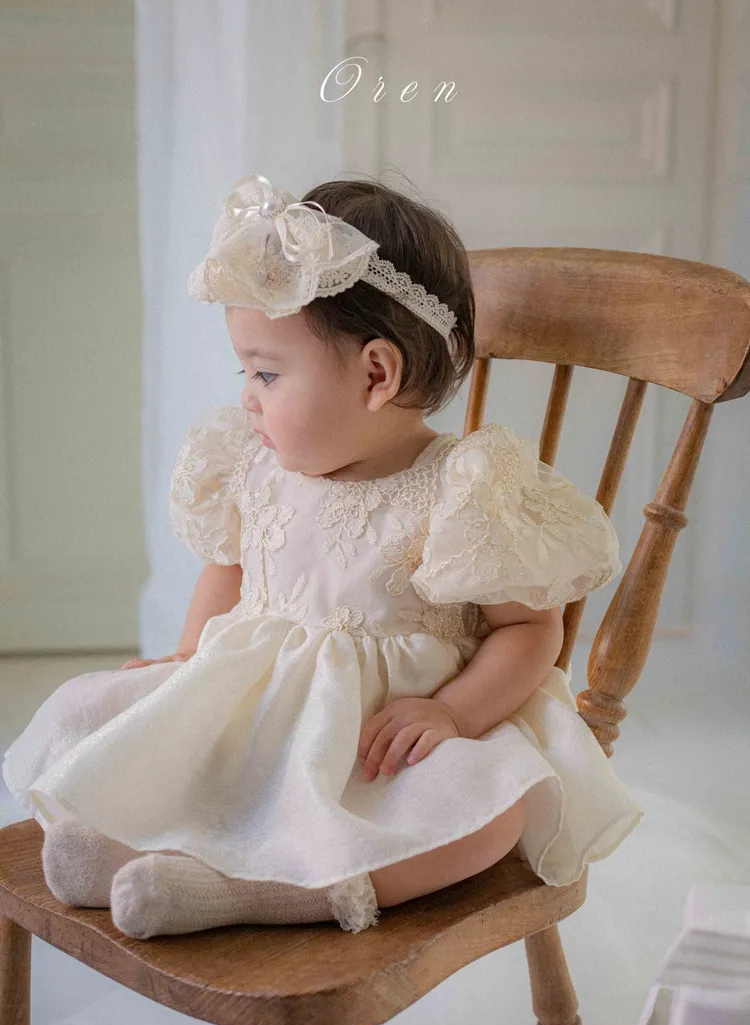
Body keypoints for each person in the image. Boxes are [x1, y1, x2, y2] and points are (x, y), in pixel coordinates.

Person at [2, 173, 642, 939]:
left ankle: (263, 894)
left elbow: (530, 628)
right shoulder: (257, 465)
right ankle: (127, 847)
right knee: (101, 713)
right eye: (245, 371)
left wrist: (452, 711)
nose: (248, 396)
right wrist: (187, 655)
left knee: (493, 814)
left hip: (375, 758)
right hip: (258, 724)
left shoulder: (458, 489)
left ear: (377, 374)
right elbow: (230, 566)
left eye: (267, 373)